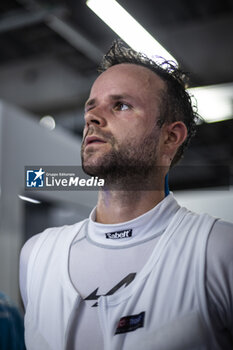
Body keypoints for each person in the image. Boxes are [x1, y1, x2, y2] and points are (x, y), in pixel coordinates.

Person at [19, 40, 233, 350]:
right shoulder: (36, 256)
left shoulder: (218, 252)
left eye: (121, 105)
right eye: (90, 108)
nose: (92, 118)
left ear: (170, 137)